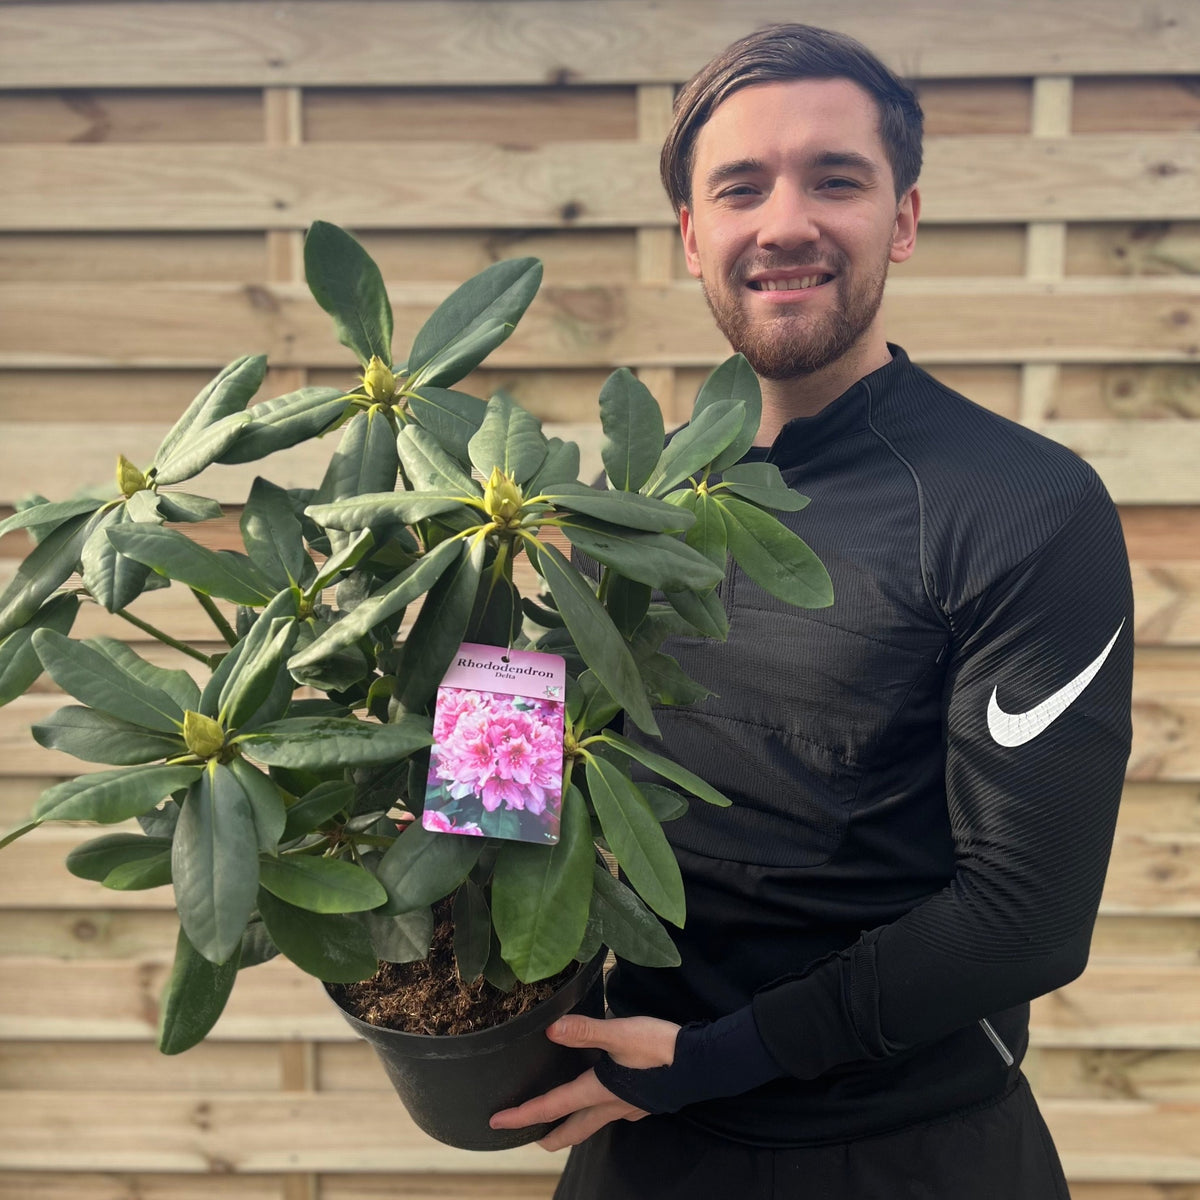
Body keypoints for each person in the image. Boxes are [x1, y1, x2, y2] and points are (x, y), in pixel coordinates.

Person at [491, 23, 1134, 1199]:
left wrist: (708, 1061)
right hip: (640, 1146)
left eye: (835, 178)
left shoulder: (1023, 506)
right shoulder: (615, 506)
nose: (785, 220)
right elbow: (518, 797)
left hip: (908, 1155)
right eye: (740, 188)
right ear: (695, 235)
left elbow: (1025, 919)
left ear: (903, 218)